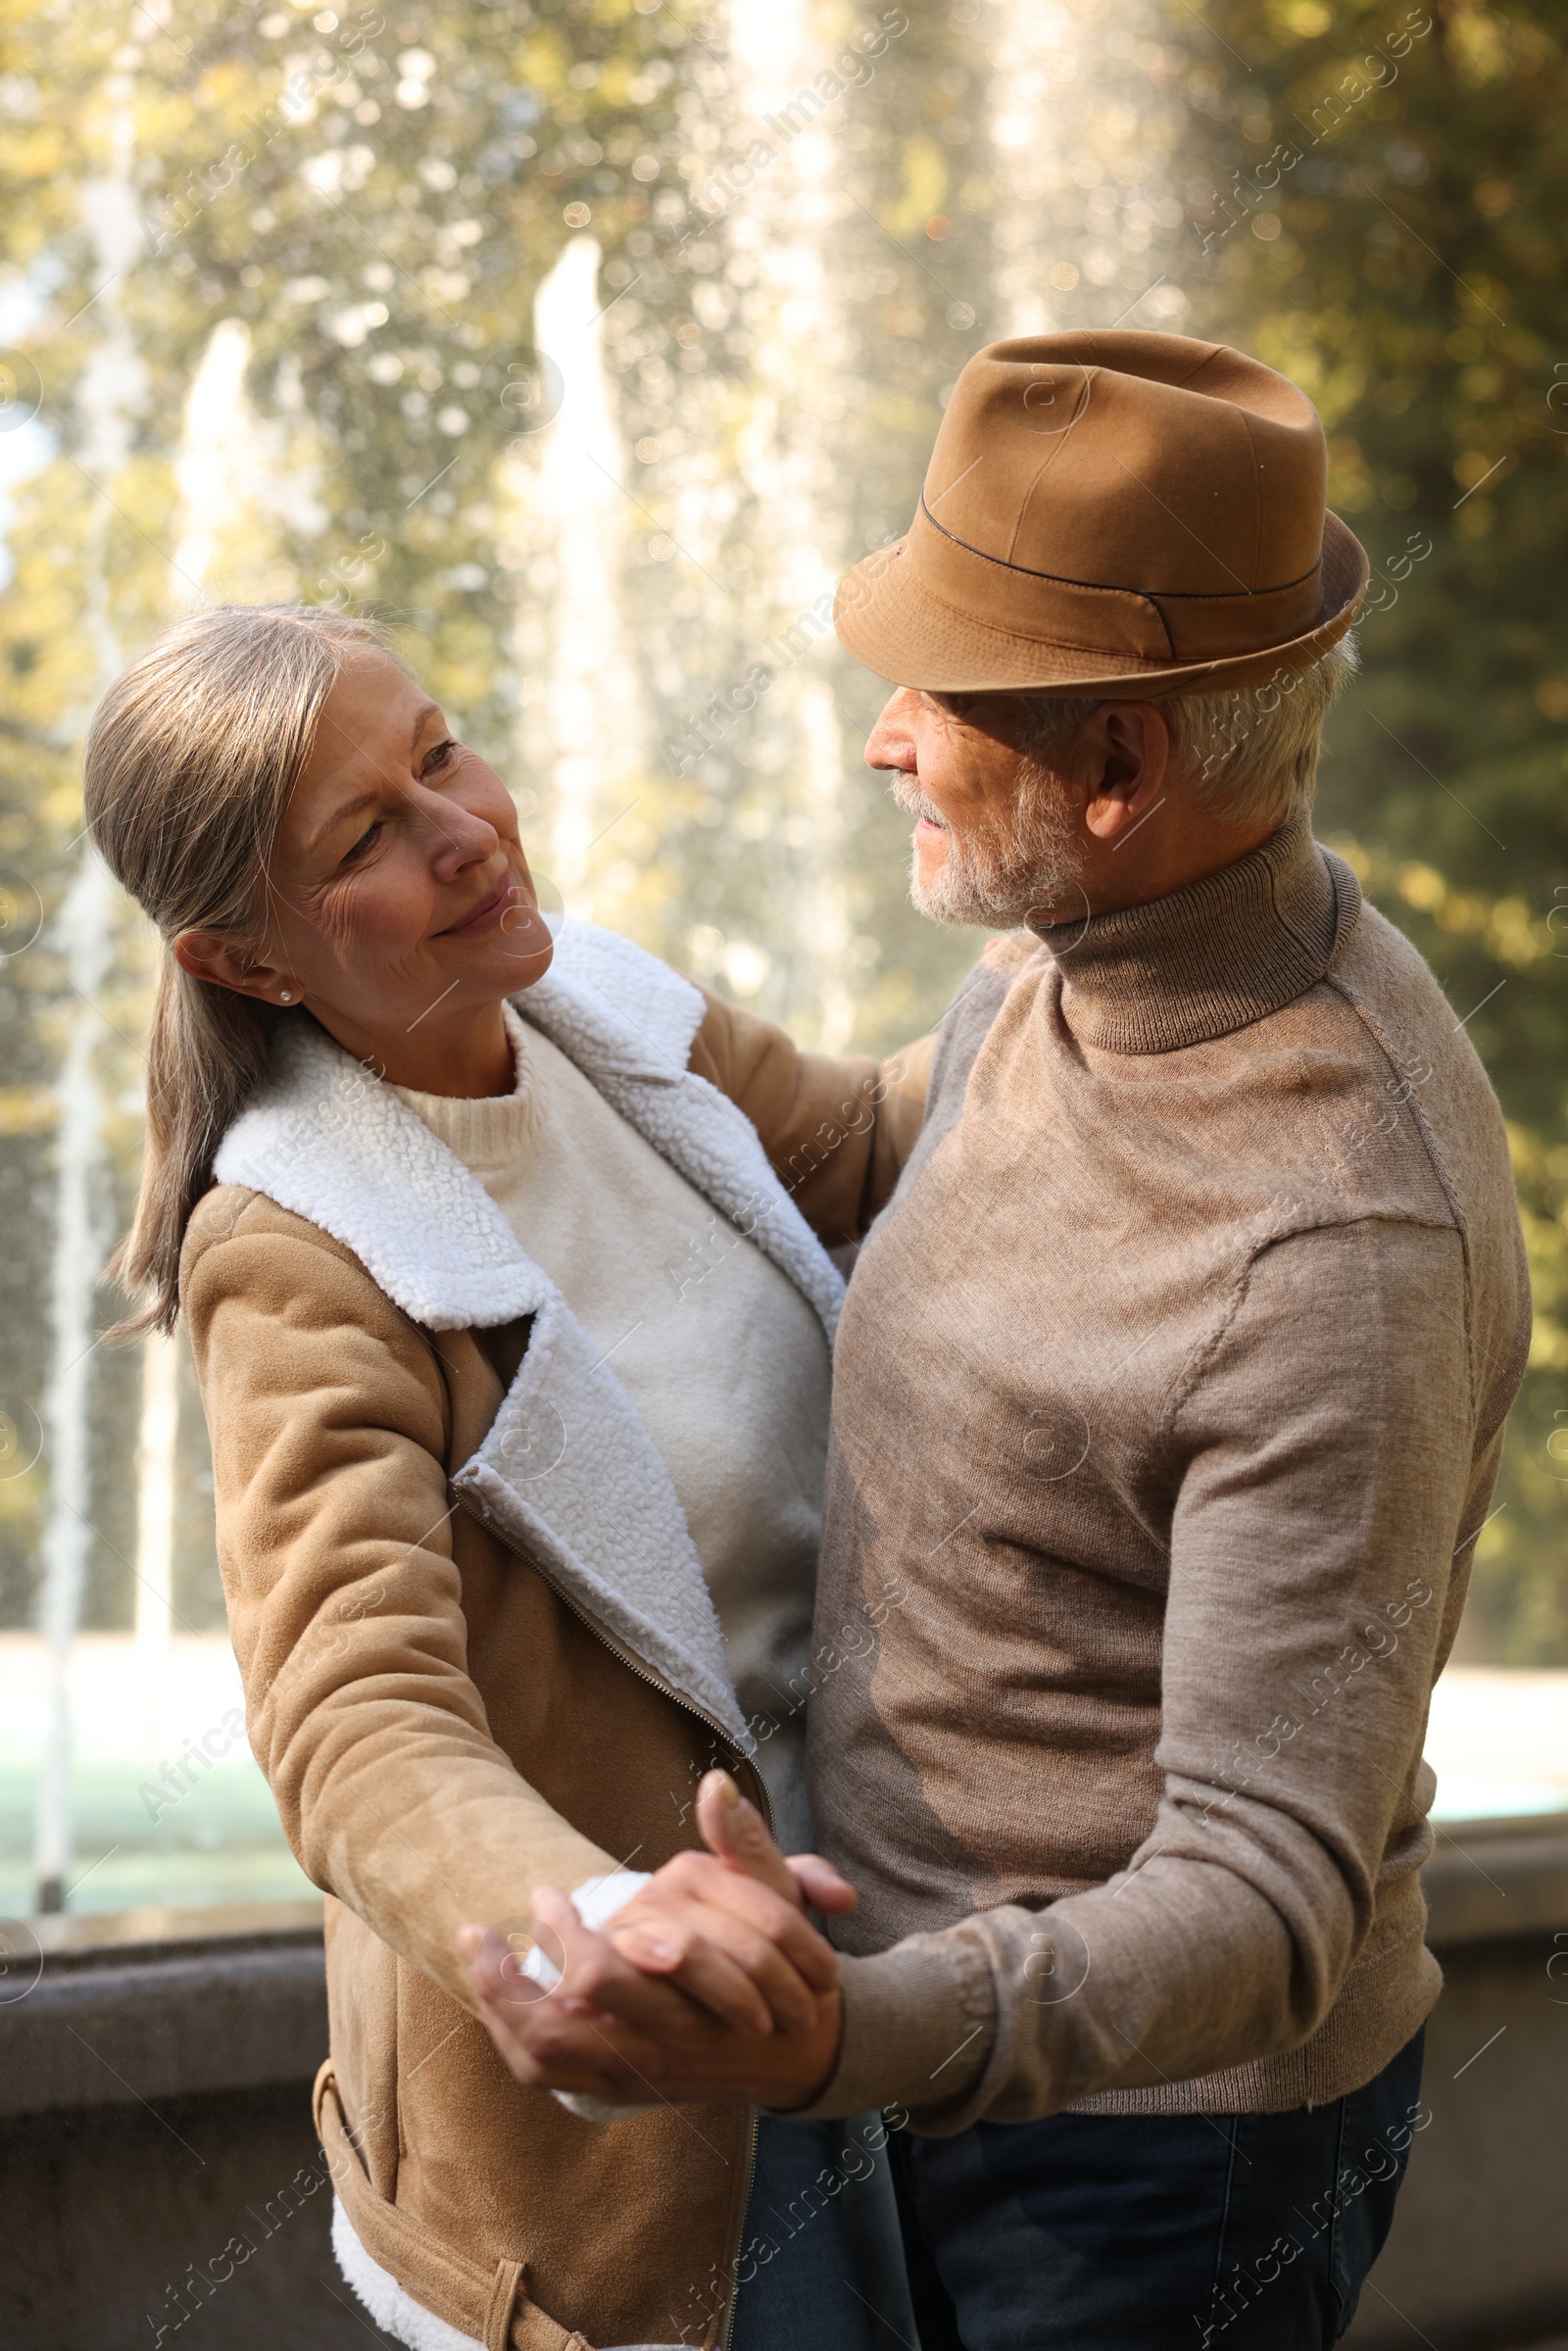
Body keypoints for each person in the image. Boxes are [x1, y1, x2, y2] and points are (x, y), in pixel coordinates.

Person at [464, 331, 1532, 2351]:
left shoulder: (1327, 1237)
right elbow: (883, 1146)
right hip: (939, 2066)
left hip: (1152, 2159)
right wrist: (550, 979)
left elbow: (1262, 1894)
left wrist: (832, 2040)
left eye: (932, 701)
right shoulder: (1086, 962)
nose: (878, 742)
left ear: (1114, 771)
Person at [83, 603, 930, 2351]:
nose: (466, 829)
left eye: (443, 752)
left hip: (893, 1948)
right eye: (367, 836)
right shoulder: (300, 1248)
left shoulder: (597, 1003)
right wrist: (594, 1920)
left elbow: (862, 1143)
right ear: (240, 962)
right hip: (646, 2097)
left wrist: (1107, 940)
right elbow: (353, 1715)